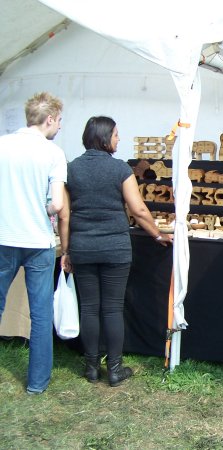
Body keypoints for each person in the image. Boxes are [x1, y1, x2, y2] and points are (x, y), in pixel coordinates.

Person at [62, 116, 173, 387]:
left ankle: (91, 368)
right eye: (115, 135)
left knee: (89, 308)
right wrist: (157, 234)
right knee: (112, 309)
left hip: (83, 247)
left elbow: (65, 214)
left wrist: (66, 251)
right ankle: (114, 369)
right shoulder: (119, 168)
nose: (118, 139)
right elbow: (138, 209)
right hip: (114, 248)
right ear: (104, 138)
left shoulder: (71, 169)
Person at [0, 92, 67, 395]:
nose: (60, 126)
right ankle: (37, 383)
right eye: (59, 120)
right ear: (49, 119)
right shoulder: (53, 153)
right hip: (38, 241)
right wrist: (44, 207)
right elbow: (57, 204)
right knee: (40, 315)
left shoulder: (2, 144)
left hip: (4, 237)